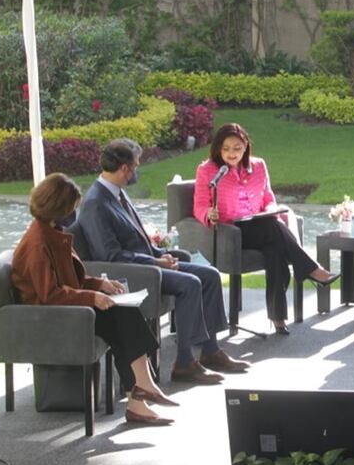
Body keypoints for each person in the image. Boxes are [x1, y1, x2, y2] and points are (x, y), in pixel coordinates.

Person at [77, 138, 250, 383]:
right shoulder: (96, 203)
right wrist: (155, 263)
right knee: (190, 284)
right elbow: (111, 256)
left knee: (209, 275)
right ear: (125, 168)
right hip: (131, 274)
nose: (137, 170)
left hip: (148, 263)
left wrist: (160, 254)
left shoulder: (117, 194)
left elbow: (136, 239)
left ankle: (210, 351)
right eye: (136, 165)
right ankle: (184, 362)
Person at [11, 173, 177, 425]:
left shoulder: (52, 232)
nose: (74, 213)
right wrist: (93, 296)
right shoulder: (38, 244)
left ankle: (140, 393)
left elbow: (71, 279)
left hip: (67, 309)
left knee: (124, 312)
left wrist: (99, 284)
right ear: (58, 208)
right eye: (71, 208)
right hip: (50, 317)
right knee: (121, 318)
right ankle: (141, 391)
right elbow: (50, 294)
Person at [193, 123, 338, 335]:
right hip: (232, 233)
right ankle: (311, 270)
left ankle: (277, 316)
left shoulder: (258, 165)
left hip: (261, 226)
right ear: (218, 149)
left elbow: (268, 198)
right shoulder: (207, 170)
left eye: (236, 148)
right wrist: (209, 214)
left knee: (275, 248)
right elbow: (199, 205)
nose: (231, 153)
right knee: (273, 228)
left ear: (245, 147)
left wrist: (271, 209)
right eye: (225, 148)